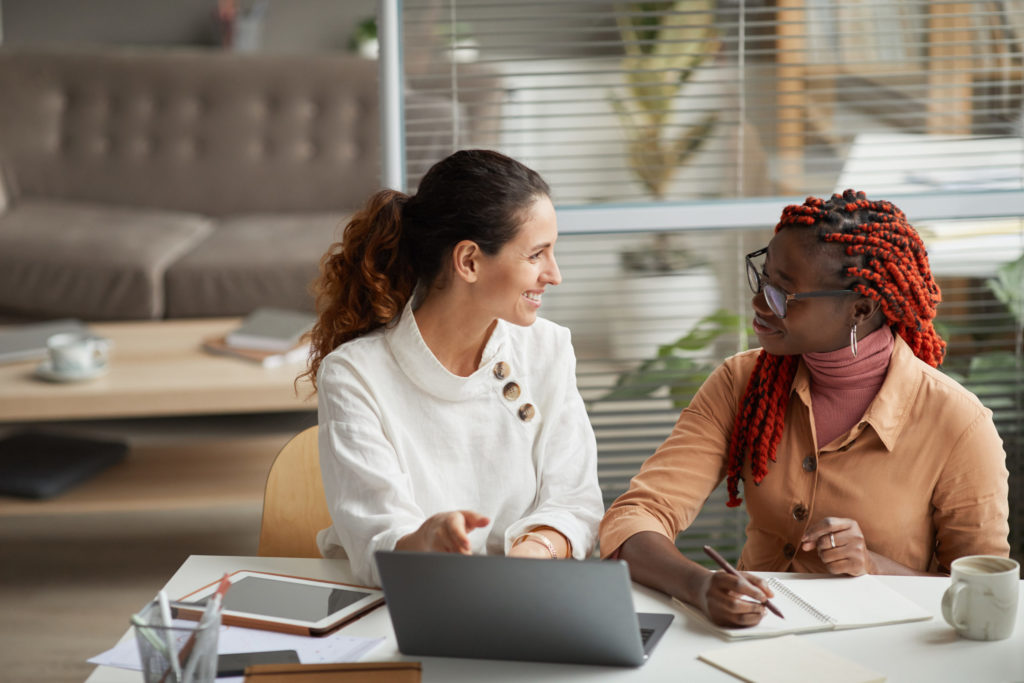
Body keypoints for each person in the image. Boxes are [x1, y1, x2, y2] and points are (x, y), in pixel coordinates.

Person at [599, 190, 1010, 627]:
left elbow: (982, 596)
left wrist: (872, 566)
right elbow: (636, 516)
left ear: (861, 308)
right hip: (752, 644)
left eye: (784, 295)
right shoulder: (743, 383)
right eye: (764, 280)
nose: (760, 304)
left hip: (890, 652)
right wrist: (699, 586)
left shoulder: (958, 423)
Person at [302, 149, 604, 586]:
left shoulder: (548, 348)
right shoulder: (355, 375)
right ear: (469, 262)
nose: (554, 274)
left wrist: (532, 555)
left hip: (521, 596)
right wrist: (426, 542)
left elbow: (576, 502)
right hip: (399, 603)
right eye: (537, 254)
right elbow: (377, 539)